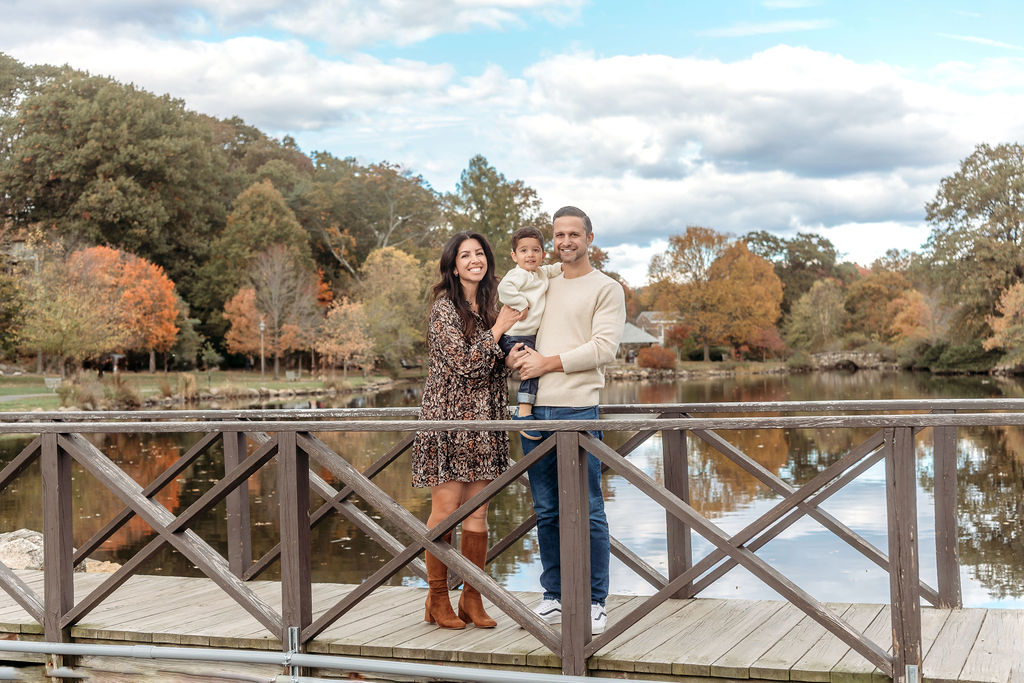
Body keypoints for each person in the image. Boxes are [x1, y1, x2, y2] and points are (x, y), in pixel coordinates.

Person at [508, 206, 625, 635]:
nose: (565, 242)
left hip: (577, 409)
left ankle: (595, 602)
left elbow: (604, 348)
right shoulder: (542, 278)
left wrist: (548, 363)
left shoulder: (606, 289)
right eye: (559, 235)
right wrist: (513, 355)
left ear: (590, 238)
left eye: (574, 234)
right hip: (533, 410)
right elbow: (516, 320)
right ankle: (554, 597)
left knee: (590, 508)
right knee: (546, 509)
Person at [411, 231, 524, 630]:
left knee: (479, 515)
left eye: (479, 253)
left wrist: (516, 352)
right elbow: (464, 364)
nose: (474, 259)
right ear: (454, 266)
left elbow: (496, 361)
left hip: (487, 422)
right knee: (445, 513)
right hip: (450, 421)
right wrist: (500, 331)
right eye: (465, 255)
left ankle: (472, 599)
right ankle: (437, 599)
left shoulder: (492, 308)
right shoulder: (444, 310)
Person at [496, 226, 564, 441]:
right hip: (516, 335)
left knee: (538, 365)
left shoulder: (540, 272)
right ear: (514, 256)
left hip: (530, 335)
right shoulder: (518, 275)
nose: (530, 255)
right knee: (532, 369)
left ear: (542, 254)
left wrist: (567, 265)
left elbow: (554, 269)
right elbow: (504, 290)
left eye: (536, 250)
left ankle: (526, 409)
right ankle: (523, 413)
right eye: (524, 251)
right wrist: (521, 302)